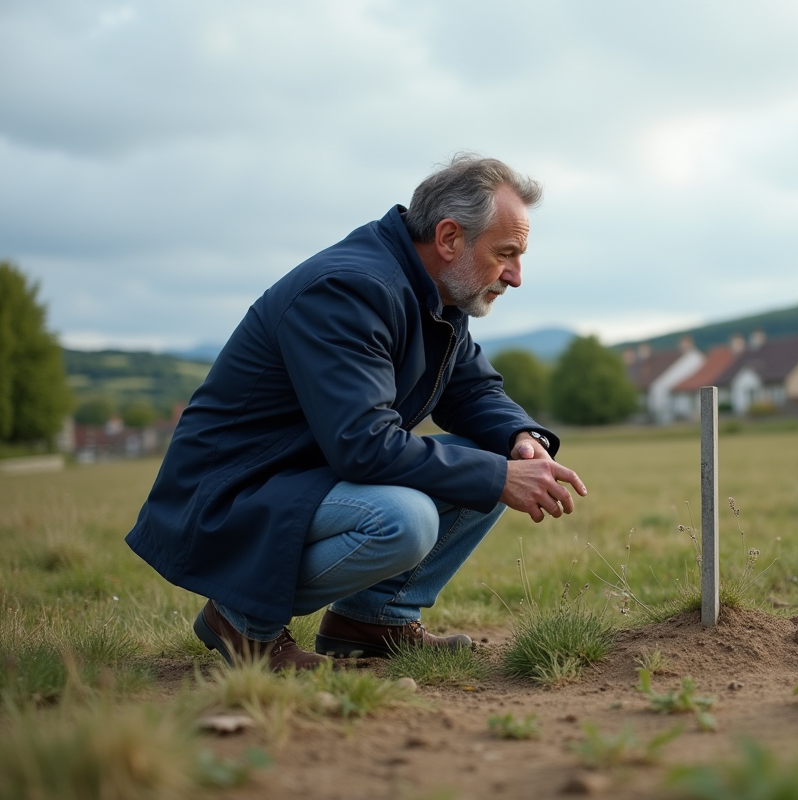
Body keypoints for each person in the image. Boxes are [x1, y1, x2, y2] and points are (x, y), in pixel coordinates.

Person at [126, 154, 586, 670]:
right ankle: (241, 624)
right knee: (404, 520)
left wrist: (521, 439)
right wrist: (500, 475)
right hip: (236, 494)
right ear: (450, 237)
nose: (516, 277)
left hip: (303, 480)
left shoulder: (437, 294)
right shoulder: (349, 290)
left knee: (496, 457)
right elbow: (363, 446)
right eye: (506, 254)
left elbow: (475, 392)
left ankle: (373, 620)